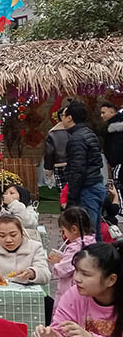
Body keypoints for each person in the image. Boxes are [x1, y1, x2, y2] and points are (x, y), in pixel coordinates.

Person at [63, 100, 107, 239]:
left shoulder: (77, 138)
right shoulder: (88, 133)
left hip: (87, 188)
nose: (62, 119)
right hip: (95, 184)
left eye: (63, 116)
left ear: (70, 118)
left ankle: (93, 260)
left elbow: (78, 169)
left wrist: (72, 196)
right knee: (95, 231)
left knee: (88, 233)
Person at [0, 215, 51, 285]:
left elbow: (45, 274)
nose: (8, 240)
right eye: (2, 236)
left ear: (21, 233)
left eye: (13, 235)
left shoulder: (35, 247)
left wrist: (32, 273)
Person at [49, 207, 96, 304]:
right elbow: (74, 262)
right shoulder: (91, 241)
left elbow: (63, 270)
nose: (64, 234)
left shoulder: (76, 247)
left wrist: (56, 262)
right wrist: (63, 258)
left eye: (64, 230)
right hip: (86, 287)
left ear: (74, 229)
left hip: (71, 290)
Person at [44, 107, 71, 191]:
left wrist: (48, 169)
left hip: (60, 165)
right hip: (75, 164)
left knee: (63, 193)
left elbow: (49, 153)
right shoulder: (75, 131)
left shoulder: (53, 133)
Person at [102, 101, 123, 188]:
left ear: (112, 112)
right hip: (116, 165)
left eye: (103, 112)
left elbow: (115, 150)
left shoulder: (115, 130)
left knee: (118, 190)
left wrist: (113, 163)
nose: (101, 115)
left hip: (118, 165)